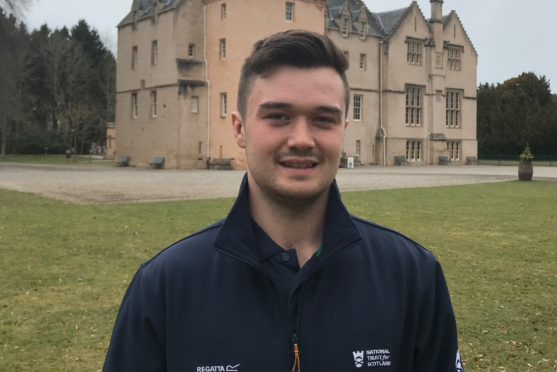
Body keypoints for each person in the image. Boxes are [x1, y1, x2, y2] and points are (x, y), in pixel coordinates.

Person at [103, 30, 463, 372]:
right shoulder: (165, 287)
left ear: (343, 132)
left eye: (323, 119)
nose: (302, 139)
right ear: (239, 129)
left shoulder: (413, 277)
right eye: (278, 116)